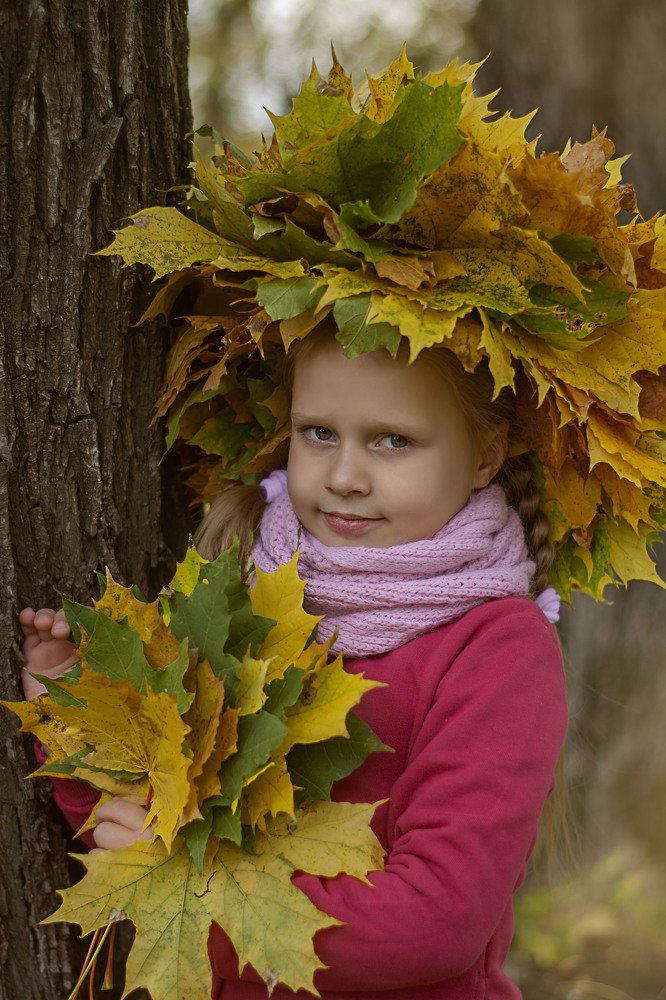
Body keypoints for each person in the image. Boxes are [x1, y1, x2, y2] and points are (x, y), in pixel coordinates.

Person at [20, 326, 568, 999]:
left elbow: (439, 920)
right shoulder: (242, 587)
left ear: (486, 454)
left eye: (393, 441)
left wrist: (198, 892)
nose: (344, 476)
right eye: (318, 433)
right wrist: (79, 713)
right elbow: (136, 826)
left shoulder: (495, 648)